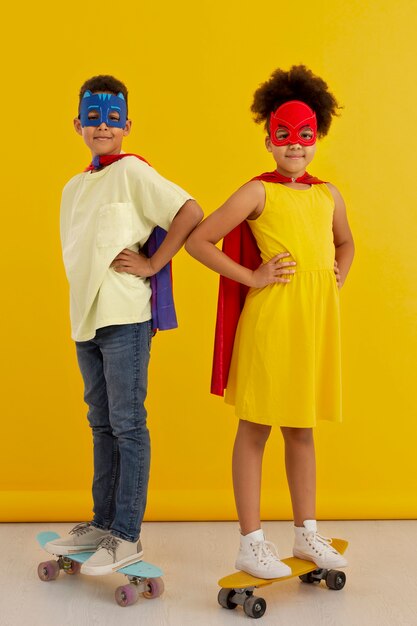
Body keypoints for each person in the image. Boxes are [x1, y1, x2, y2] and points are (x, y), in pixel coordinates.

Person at [186, 65, 354, 578]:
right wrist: (251, 277)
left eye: (305, 135)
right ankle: (251, 541)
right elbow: (198, 240)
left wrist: (336, 276)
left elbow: (346, 242)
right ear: (268, 139)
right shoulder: (258, 192)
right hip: (269, 326)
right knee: (256, 428)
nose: (295, 146)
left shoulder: (329, 195)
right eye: (284, 136)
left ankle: (306, 533)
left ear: (318, 136)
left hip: (312, 328)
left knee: (302, 431)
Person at [46, 75, 203, 575]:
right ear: (77, 124)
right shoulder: (75, 186)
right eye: (92, 118)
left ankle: (126, 535)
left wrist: (154, 265)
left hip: (124, 318)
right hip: (86, 321)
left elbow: (189, 210)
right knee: (100, 423)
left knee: (128, 425)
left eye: (112, 118)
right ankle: (102, 522)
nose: (102, 127)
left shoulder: (134, 172)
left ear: (127, 125)